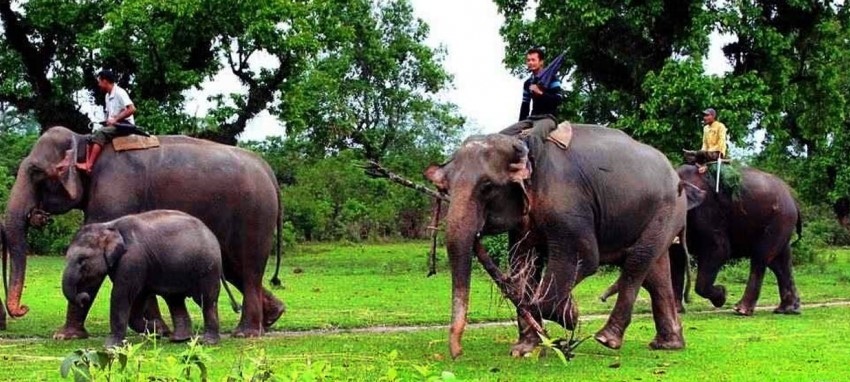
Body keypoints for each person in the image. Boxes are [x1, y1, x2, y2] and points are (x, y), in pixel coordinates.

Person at [76, 70, 136, 173]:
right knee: (92, 136)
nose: (98, 84)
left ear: (105, 81)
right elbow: (111, 115)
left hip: (125, 125)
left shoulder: (120, 92)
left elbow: (132, 109)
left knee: (101, 133)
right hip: (115, 124)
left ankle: (89, 165)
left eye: (99, 81)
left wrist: (116, 119)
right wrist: (107, 121)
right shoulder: (107, 96)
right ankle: (88, 163)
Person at [500, 48, 564, 137]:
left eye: (533, 60)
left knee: (534, 136)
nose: (530, 63)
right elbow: (525, 106)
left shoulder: (553, 79)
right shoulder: (528, 83)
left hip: (548, 118)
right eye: (528, 60)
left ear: (541, 62)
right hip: (531, 119)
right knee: (502, 135)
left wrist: (541, 93)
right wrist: (520, 125)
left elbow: (558, 100)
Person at [697, 108, 727, 174]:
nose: (704, 118)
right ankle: (701, 165)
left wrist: (709, 151)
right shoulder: (706, 128)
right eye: (704, 116)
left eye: (707, 115)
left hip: (717, 152)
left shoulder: (720, 126)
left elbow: (721, 142)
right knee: (693, 154)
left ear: (713, 116)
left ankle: (705, 166)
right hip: (708, 153)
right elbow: (704, 143)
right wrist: (703, 151)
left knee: (701, 153)